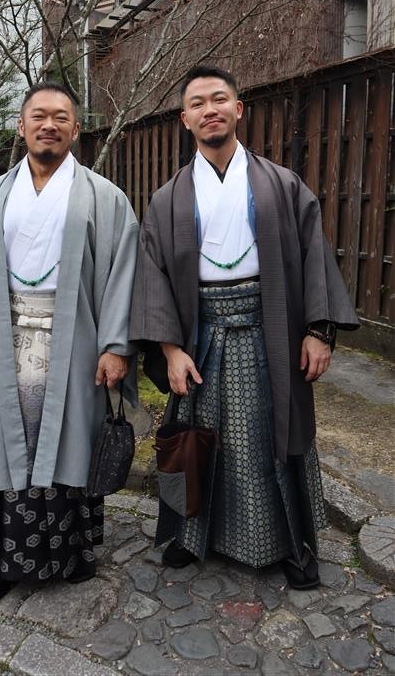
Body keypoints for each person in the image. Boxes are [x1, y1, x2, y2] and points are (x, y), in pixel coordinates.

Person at [129, 64, 359, 589]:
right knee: (200, 435)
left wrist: (318, 331)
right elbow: (152, 277)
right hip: (201, 336)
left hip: (269, 329)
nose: (209, 110)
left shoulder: (282, 184)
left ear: (238, 109)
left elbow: (314, 255)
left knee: (271, 435)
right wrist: (170, 350)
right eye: (197, 103)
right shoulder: (167, 199)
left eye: (219, 99)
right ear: (185, 119)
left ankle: (291, 544)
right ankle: (191, 535)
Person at [0, 82, 138, 601]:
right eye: (39, 116)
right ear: (21, 127)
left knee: (71, 441)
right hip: (3, 339)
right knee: (8, 444)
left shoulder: (104, 198)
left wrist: (116, 346)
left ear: (76, 129)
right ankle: (5, 561)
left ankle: (74, 554)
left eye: (61, 117)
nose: (49, 125)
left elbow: (123, 275)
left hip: (77, 342)